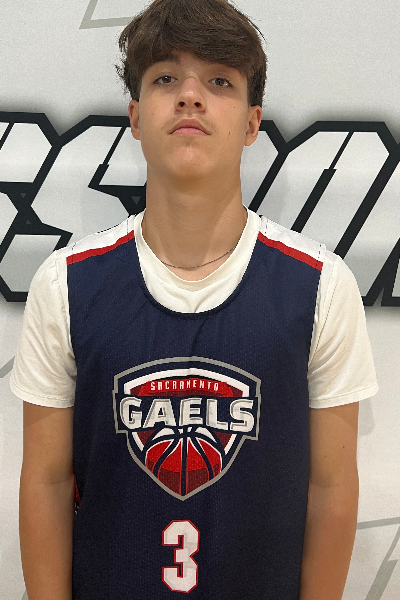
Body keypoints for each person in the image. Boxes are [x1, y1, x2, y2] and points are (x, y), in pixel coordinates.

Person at [10, 0, 379, 598]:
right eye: (165, 78)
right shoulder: (67, 284)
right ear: (135, 117)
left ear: (253, 123)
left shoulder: (320, 285)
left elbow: (331, 488)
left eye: (219, 81)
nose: (190, 96)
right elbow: (47, 482)